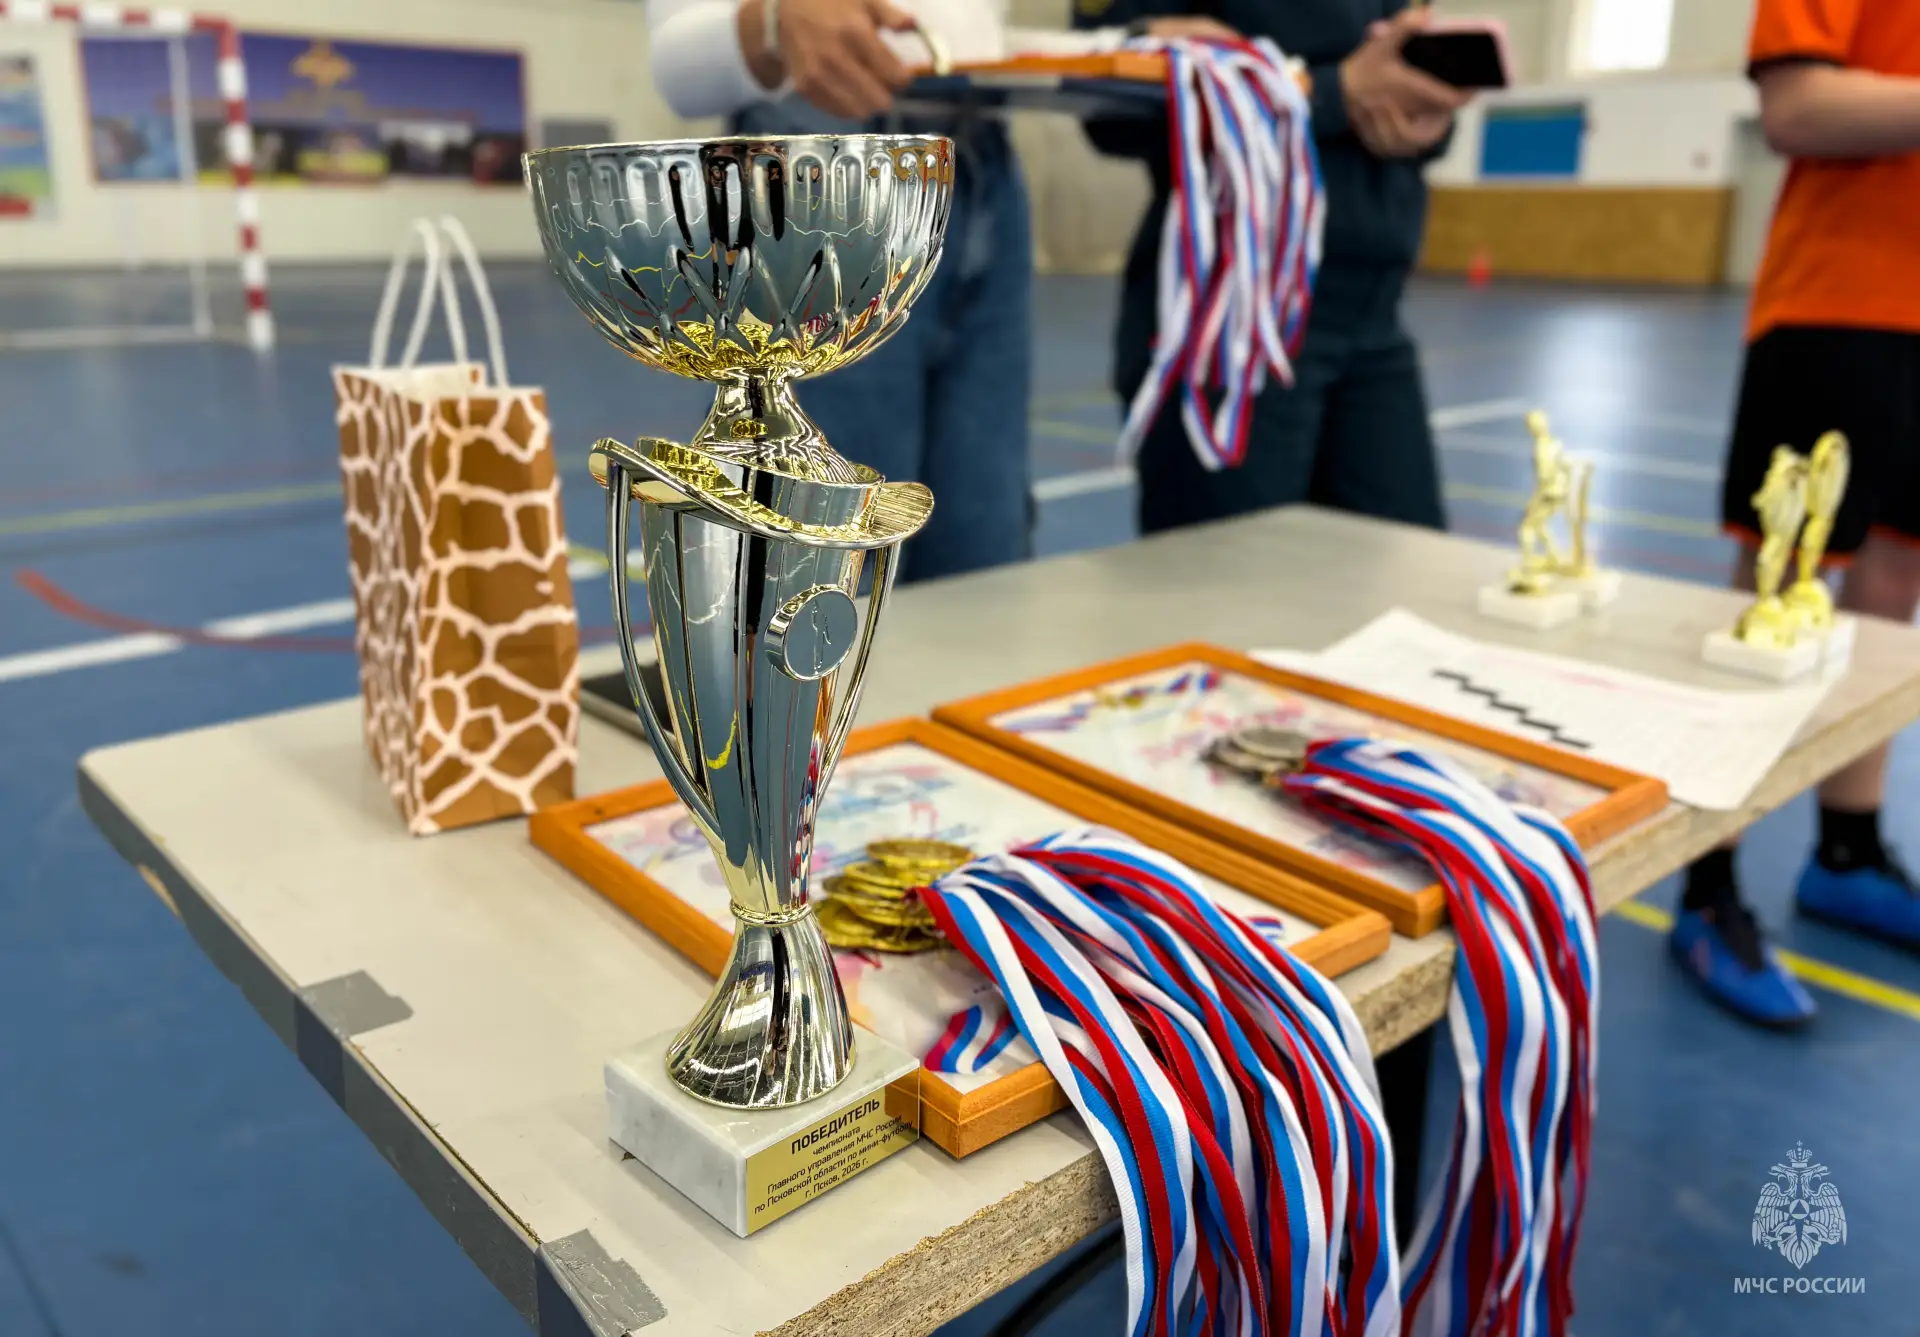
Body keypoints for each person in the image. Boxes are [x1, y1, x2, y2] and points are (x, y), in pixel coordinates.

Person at [1670, 0, 1920, 1028]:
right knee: (1776, 596)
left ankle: (1846, 850)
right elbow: (1801, 107)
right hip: (1839, 299)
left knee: (1897, 579)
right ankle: (1707, 882)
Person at [644, 0, 1034, 583]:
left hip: (985, 169)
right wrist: (775, 22)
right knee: (809, 578)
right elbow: (675, 61)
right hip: (820, 177)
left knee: (988, 564)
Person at [1073, 0, 1471, 536]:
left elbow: (1402, 88)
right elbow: (1110, 103)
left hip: (1375, 311)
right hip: (1231, 318)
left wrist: (1425, 111)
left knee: (1405, 565)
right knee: (1226, 572)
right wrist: (1328, 93)